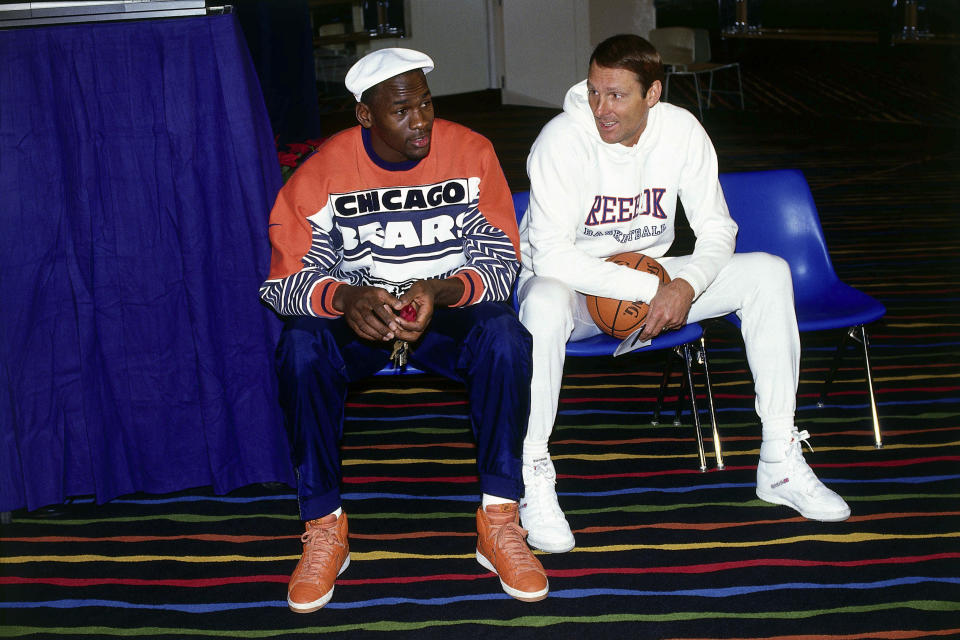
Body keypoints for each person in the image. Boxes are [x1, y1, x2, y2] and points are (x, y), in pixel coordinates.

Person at [515, 34, 851, 554]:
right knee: (542, 303)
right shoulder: (561, 139)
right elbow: (554, 255)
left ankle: (780, 461)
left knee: (768, 271)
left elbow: (718, 230)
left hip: (654, 273)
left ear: (652, 94)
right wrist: (654, 289)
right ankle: (533, 471)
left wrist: (685, 286)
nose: (602, 108)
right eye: (594, 91)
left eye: (617, 96)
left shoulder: (682, 131)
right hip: (571, 283)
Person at [260, 48, 548, 612]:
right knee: (299, 348)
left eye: (426, 104)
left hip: (442, 315)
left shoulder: (470, 152)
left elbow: (501, 266)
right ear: (366, 116)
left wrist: (439, 291)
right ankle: (324, 526)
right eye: (401, 110)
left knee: (505, 339)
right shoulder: (324, 171)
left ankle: (499, 518)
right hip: (360, 319)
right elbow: (282, 284)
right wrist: (344, 297)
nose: (421, 121)